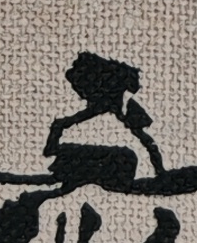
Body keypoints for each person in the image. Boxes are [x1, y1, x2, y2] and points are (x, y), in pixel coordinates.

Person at [46, 50, 165, 186]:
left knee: (143, 138)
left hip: (117, 108)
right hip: (112, 107)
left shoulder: (117, 100)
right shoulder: (111, 97)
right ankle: (159, 170)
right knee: (143, 138)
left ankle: (159, 170)